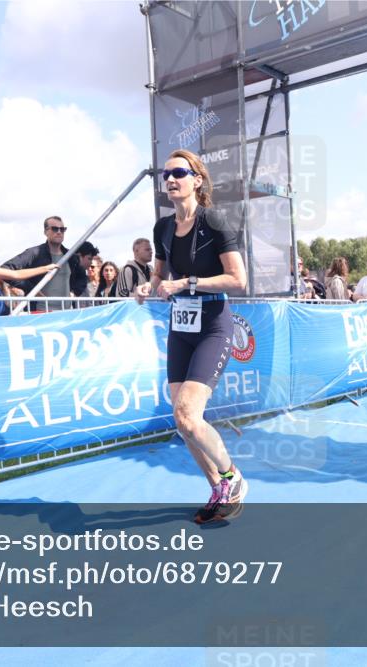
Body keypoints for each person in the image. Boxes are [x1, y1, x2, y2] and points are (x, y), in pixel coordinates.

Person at [134, 149, 248, 524]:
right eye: (164, 174)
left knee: (187, 413)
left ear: (196, 179)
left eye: (178, 173)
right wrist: (146, 287)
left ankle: (233, 477)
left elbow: (238, 279)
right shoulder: (163, 228)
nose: (169, 179)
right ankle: (217, 487)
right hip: (180, 327)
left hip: (214, 323)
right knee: (182, 421)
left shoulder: (214, 220)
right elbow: (158, 274)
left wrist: (187, 283)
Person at [0, 216, 88, 311]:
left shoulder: (71, 256)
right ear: (45, 232)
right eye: (55, 229)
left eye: (62, 229)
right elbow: (5, 269)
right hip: (40, 313)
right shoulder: (34, 253)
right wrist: (32, 289)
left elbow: (82, 277)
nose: (59, 232)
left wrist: (74, 292)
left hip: (65, 313)